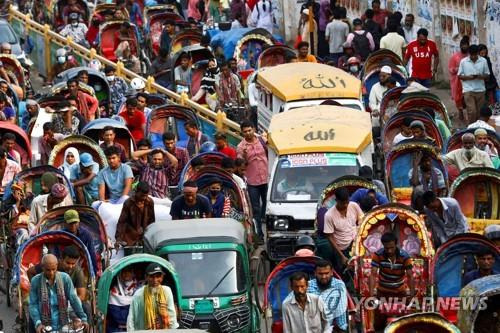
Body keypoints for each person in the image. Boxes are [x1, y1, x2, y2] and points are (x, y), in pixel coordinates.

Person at [29, 254, 88, 333]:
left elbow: (73, 298)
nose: (51, 273)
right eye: (48, 270)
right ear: (42, 267)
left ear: (57, 266)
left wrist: (83, 318)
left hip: (63, 320)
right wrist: (38, 323)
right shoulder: (35, 281)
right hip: (43, 322)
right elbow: (33, 304)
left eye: (53, 269)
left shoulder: (65, 278)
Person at [320, 187, 363, 274]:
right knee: (344, 273)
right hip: (342, 248)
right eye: (342, 203)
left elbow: (362, 220)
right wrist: (341, 256)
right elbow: (330, 237)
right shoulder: (329, 215)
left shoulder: (354, 205)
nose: (345, 205)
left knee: (359, 270)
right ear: (336, 200)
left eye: (347, 202)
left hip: (355, 244)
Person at [237, 120, 268, 238]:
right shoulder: (241, 147)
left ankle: (268, 227)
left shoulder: (262, 140)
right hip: (252, 181)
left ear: (254, 129)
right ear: (242, 133)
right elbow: (241, 165)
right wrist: (244, 155)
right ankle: (259, 234)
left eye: (250, 130)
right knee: (255, 209)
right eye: (245, 132)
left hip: (266, 178)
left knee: (268, 205)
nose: (248, 133)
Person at [127, 263, 178, 330]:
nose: (155, 280)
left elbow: (172, 315)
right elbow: (131, 317)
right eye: (151, 276)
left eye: (158, 276)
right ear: (146, 277)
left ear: (162, 277)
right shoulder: (139, 294)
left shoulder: (167, 291)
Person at [369, 232, 414, 300]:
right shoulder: (378, 255)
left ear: (396, 244)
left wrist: (412, 295)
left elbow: (410, 275)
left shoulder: (405, 256)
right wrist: (371, 296)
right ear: (383, 245)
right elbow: (373, 274)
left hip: (400, 292)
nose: (389, 251)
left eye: (392, 247)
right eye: (386, 248)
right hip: (382, 292)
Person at [308, 259, 348, 331]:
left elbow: (341, 309)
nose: (324, 277)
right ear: (315, 273)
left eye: (326, 273)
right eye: (320, 274)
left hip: (329, 327)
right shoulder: (307, 285)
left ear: (331, 273)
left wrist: (342, 328)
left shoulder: (339, 285)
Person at [458, 44, 490, 124]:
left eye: (475, 55)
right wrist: (468, 77)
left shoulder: (483, 61)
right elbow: (459, 76)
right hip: (468, 90)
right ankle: (471, 128)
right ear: (469, 53)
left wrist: (479, 76)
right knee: (472, 111)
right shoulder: (463, 61)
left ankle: (480, 129)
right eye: (471, 55)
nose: (473, 57)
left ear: (477, 53)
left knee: (480, 112)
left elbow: (487, 75)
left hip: (480, 89)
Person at [116, 182, 155, 246]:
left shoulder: (150, 202)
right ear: (136, 192)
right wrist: (118, 238)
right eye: (142, 195)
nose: (144, 198)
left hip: (145, 233)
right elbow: (122, 222)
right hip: (131, 233)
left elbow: (152, 221)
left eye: (146, 196)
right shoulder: (128, 203)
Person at [63, 209, 99, 274]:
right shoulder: (60, 235)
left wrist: (94, 272)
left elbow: (91, 253)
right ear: (65, 223)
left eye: (75, 223)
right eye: (70, 223)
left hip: (81, 265)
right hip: (64, 265)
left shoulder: (86, 234)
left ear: (79, 222)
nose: (73, 226)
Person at [108, 266, 141, 332]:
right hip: (117, 329)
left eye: (129, 271)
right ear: (120, 273)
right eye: (124, 272)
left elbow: (139, 315)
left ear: (133, 273)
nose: (126, 274)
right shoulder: (114, 291)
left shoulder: (139, 289)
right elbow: (117, 316)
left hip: (135, 328)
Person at [449, 36, 469, 120]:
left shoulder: (470, 55)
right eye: (463, 45)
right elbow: (450, 69)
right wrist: (458, 69)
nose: (464, 47)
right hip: (457, 81)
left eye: (466, 45)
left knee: (467, 97)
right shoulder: (455, 57)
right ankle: (460, 111)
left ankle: (468, 113)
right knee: (458, 98)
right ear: (460, 46)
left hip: (468, 80)